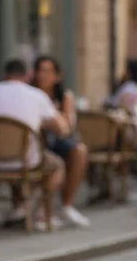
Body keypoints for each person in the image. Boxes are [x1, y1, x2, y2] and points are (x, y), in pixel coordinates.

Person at [0, 59, 69, 229]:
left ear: (4, 75)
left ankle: (18, 209)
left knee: (22, 155)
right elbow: (63, 129)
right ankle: (41, 213)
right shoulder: (37, 95)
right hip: (25, 162)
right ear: (27, 76)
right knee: (57, 165)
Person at [30, 56, 91, 227]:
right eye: (40, 71)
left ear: (57, 76)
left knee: (80, 151)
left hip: (57, 141)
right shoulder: (31, 93)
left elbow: (67, 126)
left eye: (48, 71)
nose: (43, 75)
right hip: (34, 142)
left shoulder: (64, 96)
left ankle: (66, 205)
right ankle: (39, 211)